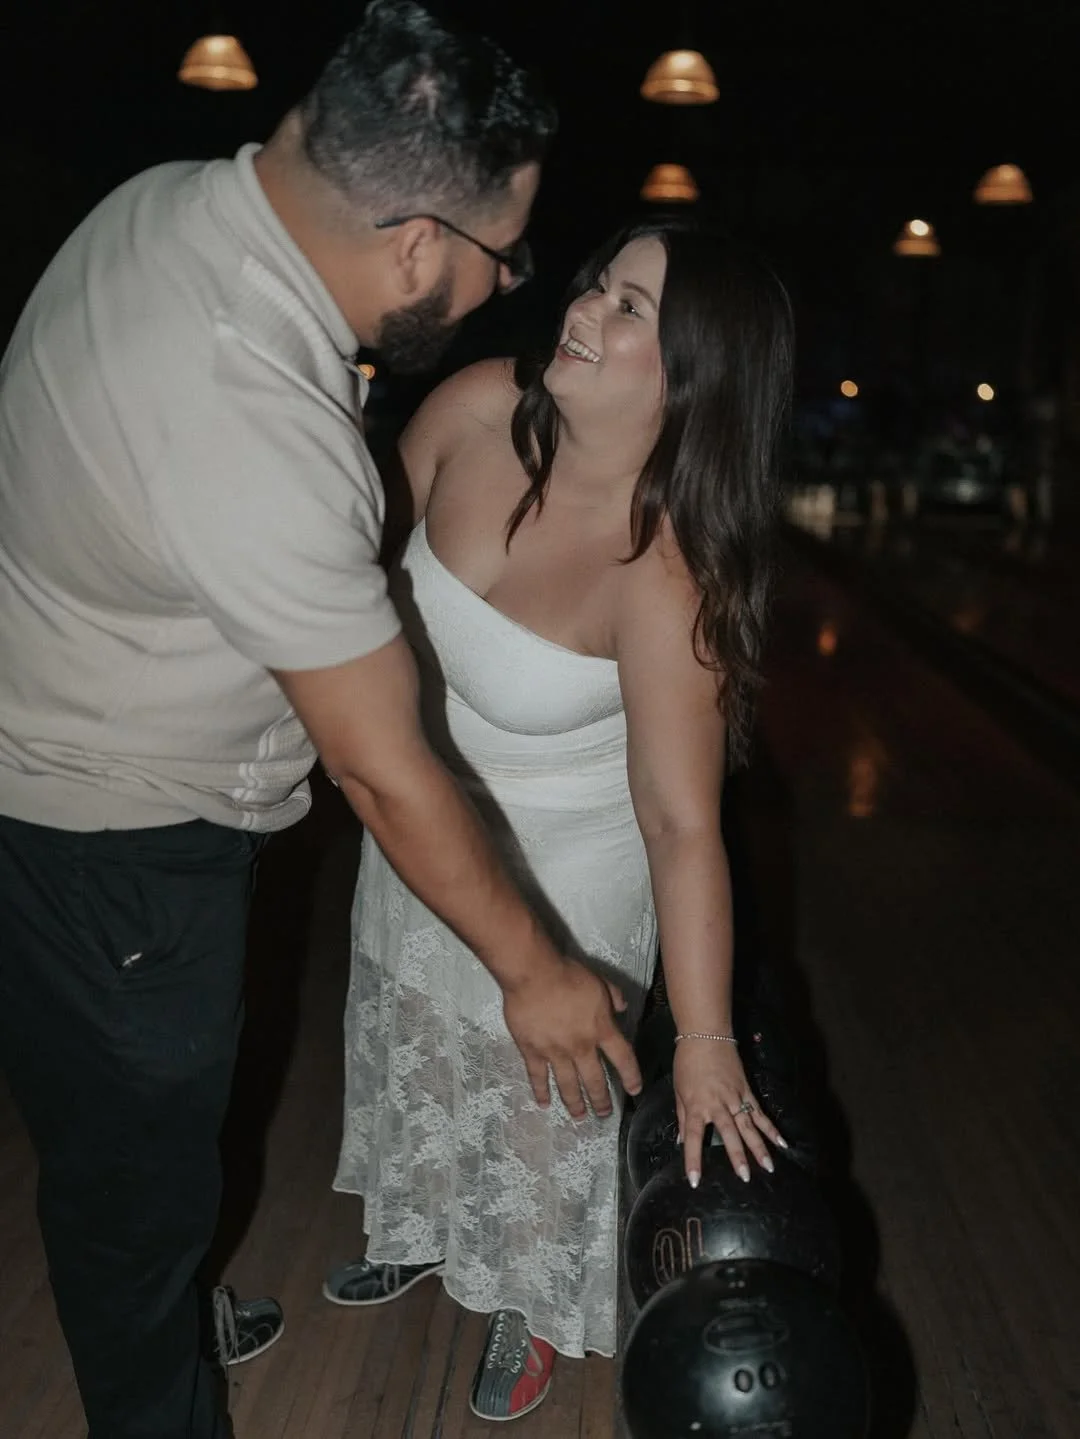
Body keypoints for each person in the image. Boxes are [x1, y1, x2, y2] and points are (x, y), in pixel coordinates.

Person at [0, 5, 644, 1437]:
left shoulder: (167, 205)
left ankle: (157, 1285)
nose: (508, 288)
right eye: (508, 255)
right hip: (120, 836)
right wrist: (536, 966)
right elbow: (380, 761)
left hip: (51, 767)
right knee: (135, 1183)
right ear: (417, 242)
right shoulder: (251, 408)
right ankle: (148, 1341)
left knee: (120, 1152)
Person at [324, 216, 795, 1421]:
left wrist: (703, 1040)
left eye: (629, 308)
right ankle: (420, 1220)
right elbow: (349, 553)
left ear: (691, 376)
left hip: (566, 881)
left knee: (536, 1116)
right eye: (598, 285)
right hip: (425, 823)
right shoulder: (481, 405)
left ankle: (529, 1298)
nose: (583, 310)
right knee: (409, 1028)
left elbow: (683, 828)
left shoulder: (664, 573)